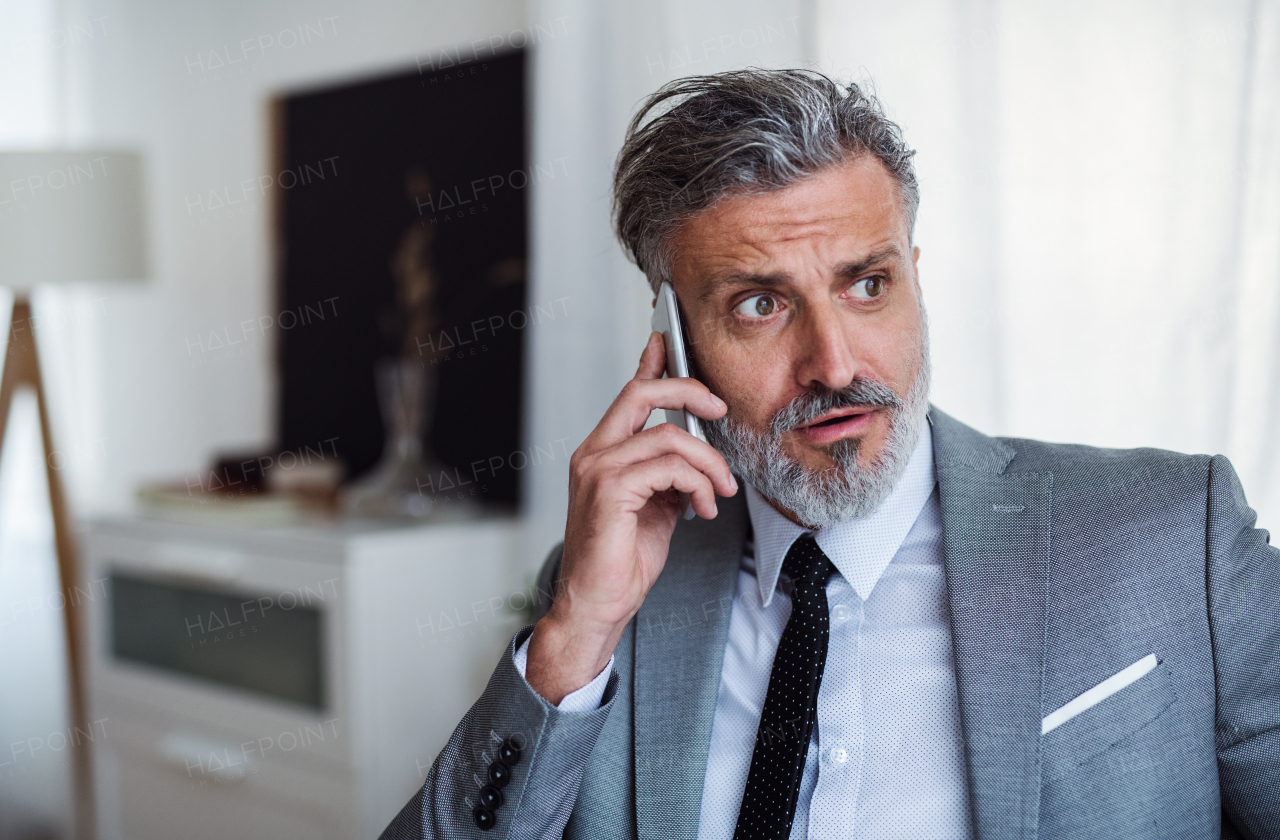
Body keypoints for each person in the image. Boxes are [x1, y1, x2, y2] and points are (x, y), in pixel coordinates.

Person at [380, 69, 1280, 839]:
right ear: (675, 344)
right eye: (759, 305)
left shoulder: (1176, 537)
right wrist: (574, 634)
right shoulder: (609, 599)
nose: (836, 365)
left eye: (867, 284)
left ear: (916, 281)